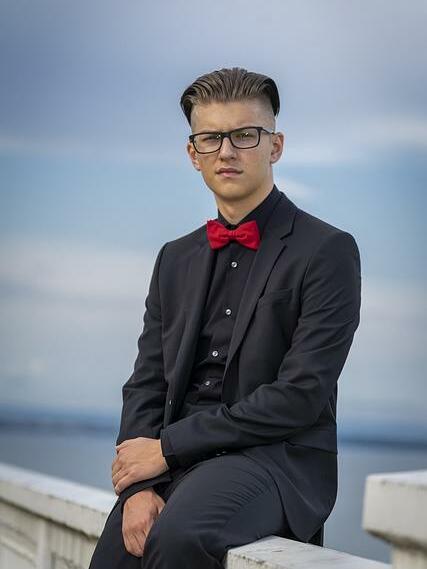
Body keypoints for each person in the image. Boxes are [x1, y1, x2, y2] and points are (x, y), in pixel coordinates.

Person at [89, 66, 361, 569]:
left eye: (245, 135)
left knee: (180, 536)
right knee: (115, 555)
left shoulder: (327, 250)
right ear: (193, 154)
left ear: (275, 146)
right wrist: (139, 484)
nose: (227, 151)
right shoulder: (174, 258)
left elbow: (301, 395)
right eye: (211, 138)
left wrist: (167, 448)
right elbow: (147, 381)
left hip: (273, 458)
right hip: (175, 461)